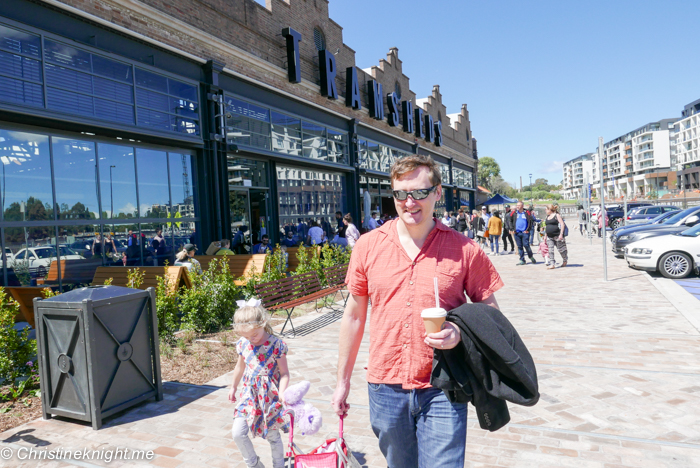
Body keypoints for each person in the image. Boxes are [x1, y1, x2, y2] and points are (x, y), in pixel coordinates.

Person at [331, 154, 503, 468]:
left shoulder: (466, 250)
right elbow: (354, 316)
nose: (409, 202)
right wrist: (342, 381)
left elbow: (491, 314)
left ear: (438, 192)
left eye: (419, 193)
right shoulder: (368, 246)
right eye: (400, 194)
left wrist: (460, 333)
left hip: (444, 385)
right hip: (385, 387)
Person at [229, 299, 290, 468]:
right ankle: (254, 465)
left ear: (263, 323)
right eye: (246, 336)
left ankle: (279, 465)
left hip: (269, 398)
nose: (251, 339)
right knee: (238, 433)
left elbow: (284, 373)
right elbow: (239, 368)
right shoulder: (243, 344)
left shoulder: (276, 345)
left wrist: (282, 393)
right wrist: (234, 386)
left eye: (253, 335)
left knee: (272, 436)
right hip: (248, 396)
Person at [510, 201, 537, 265]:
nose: (517, 206)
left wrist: (528, 229)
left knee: (526, 245)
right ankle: (522, 260)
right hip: (517, 232)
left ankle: (531, 256)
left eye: (519, 205)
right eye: (517, 205)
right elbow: (510, 221)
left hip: (525, 232)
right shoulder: (514, 213)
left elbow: (531, 221)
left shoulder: (526, 213)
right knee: (520, 246)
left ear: (522, 206)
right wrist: (512, 229)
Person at [544, 204, 568, 269]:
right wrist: (545, 236)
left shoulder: (556, 215)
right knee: (550, 250)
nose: (545, 210)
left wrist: (561, 234)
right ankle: (552, 264)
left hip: (557, 235)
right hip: (549, 236)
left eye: (546, 209)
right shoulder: (547, 217)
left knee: (561, 250)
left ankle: (565, 259)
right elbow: (547, 227)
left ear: (550, 209)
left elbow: (562, 224)